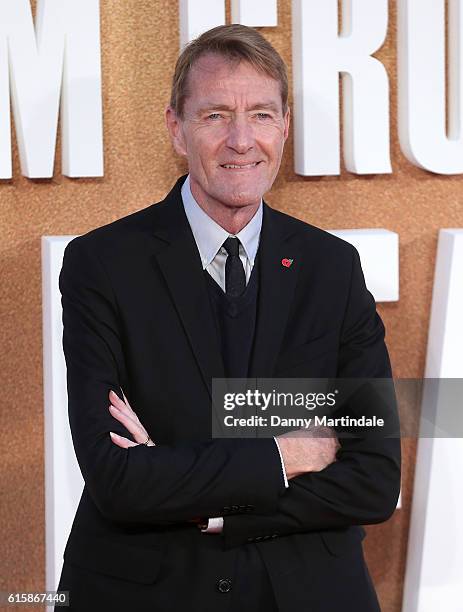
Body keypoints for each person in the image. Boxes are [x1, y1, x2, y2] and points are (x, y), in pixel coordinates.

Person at [56, 24, 401, 612]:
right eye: (216, 115)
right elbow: (116, 477)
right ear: (176, 128)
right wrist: (285, 456)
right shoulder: (101, 264)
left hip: (306, 593)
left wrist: (208, 502)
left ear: (285, 127)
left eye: (261, 115)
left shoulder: (333, 269)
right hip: (144, 592)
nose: (242, 139)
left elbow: (374, 478)